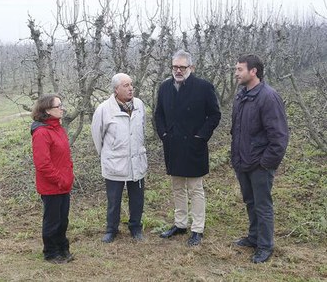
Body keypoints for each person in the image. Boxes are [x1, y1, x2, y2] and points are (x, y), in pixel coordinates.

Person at [154, 49, 221, 246]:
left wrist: (201, 136)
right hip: (173, 145)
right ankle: (180, 224)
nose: (178, 71)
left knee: (195, 188)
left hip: (194, 146)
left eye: (182, 67)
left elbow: (215, 115)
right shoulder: (165, 87)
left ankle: (197, 228)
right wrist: (163, 134)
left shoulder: (203, 87)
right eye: (175, 67)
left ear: (191, 67)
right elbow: (159, 114)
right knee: (177, 187)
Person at [231, 54, 289, 263]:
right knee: (250, 201)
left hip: (259, 165)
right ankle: (254, 237)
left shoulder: (268, 97)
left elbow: (279, 137)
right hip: (242, 161)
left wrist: (265, 164)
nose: (236, 73)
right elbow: (237, 130)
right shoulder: (241, 96)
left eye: (240, 69)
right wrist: (236, 158)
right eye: (236, 69)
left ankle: (265, 246)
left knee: (263, 205)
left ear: (253, 71)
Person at [91, 73, 148, 243]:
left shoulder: (139, 105)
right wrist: (108, 155)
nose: (130, 88)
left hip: (136, 161)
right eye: (125, 85)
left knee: (137, 198)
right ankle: (111, 229)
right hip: (115, 163)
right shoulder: (104, 109)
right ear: (116, 90)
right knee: (114, 200)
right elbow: (97, 136)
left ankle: (135, 227)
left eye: (131, 84)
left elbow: (142, 129)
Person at [31, 94, 75, 264]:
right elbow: (42, 164)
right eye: (58, 106)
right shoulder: (41, 133)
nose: (62, 108)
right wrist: (59, 179)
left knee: (63, 220)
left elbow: (64, 156)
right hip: (51, 186)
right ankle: (51, 252)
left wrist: (68, 176)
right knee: (53, 221)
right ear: (47, 110)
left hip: (64, 184)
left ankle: (63, 249)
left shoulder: (58, 128)